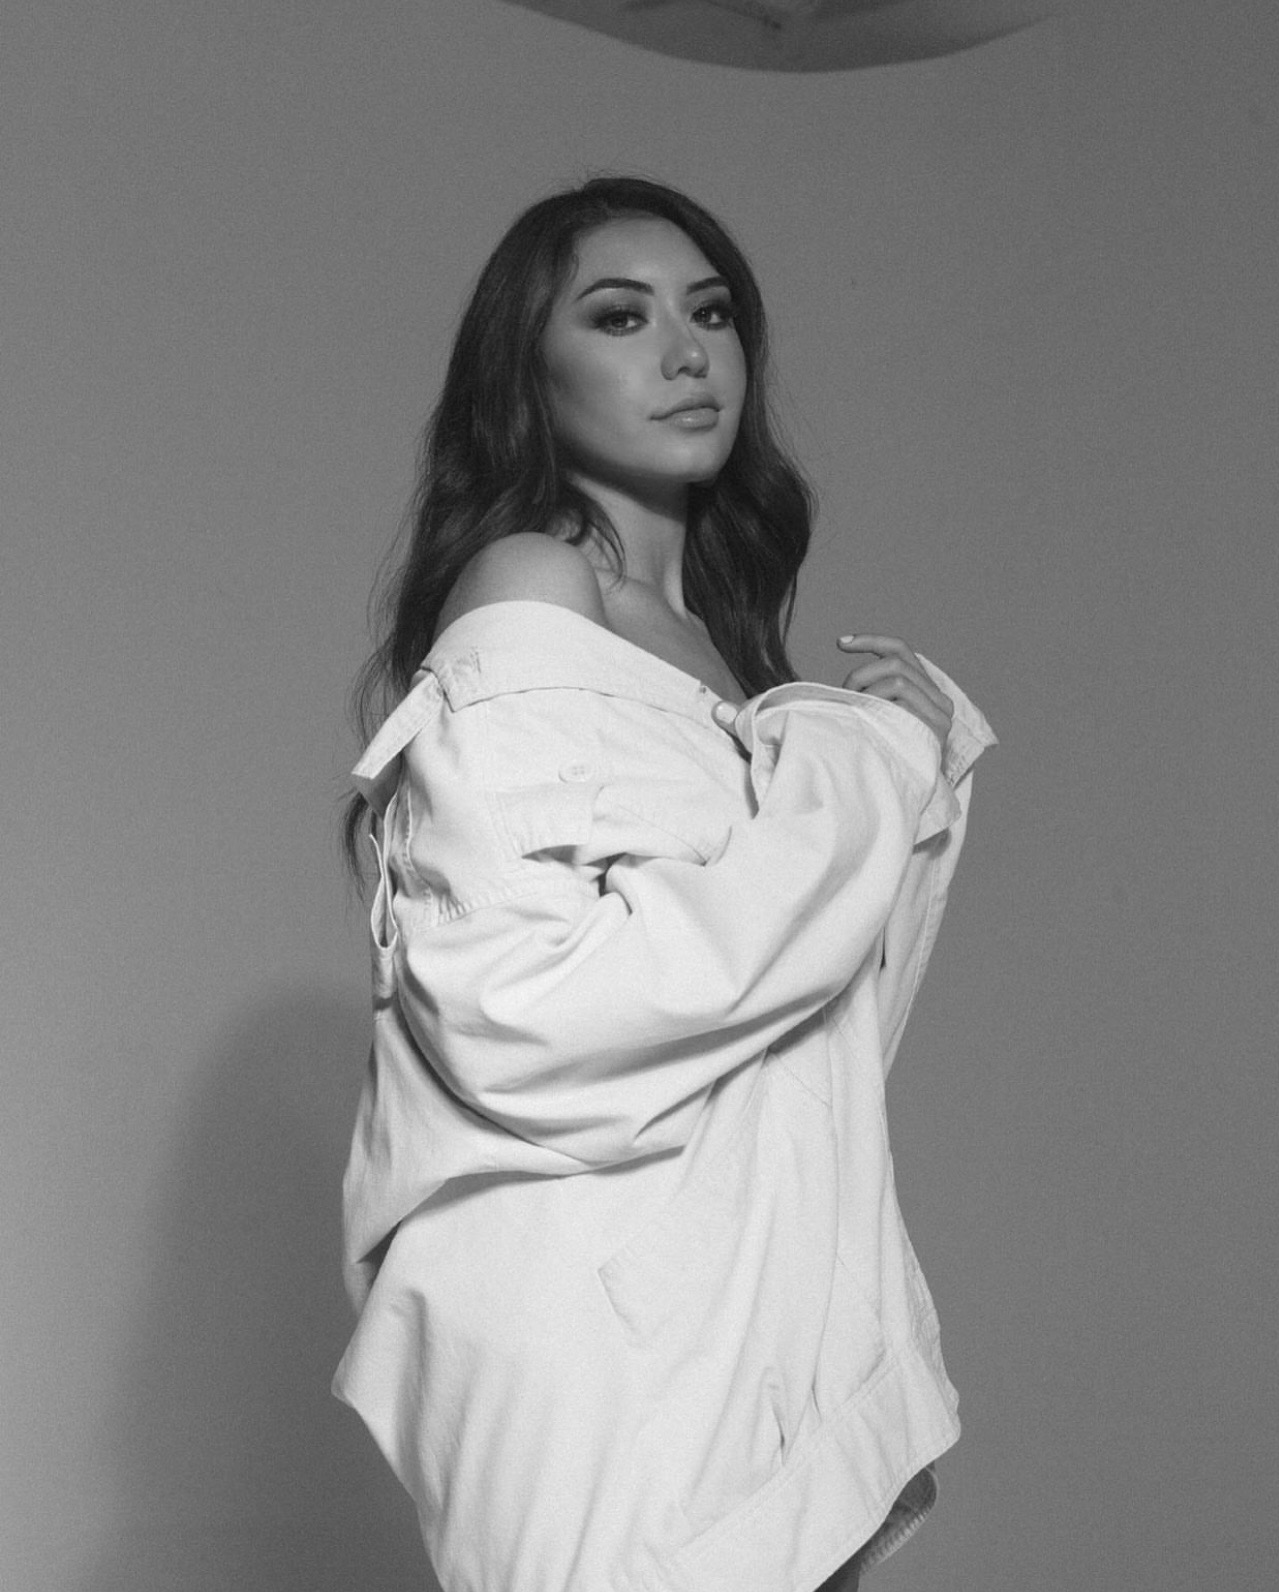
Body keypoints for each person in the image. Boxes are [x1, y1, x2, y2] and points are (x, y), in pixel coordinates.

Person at [333, 175, 995, 1592]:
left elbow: (807, 1036)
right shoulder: (533, 585)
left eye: (713, 313)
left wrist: (895, 780)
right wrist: (868, 764)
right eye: (621, 317)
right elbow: (518, 1002)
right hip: (603, 1322)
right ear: (529, 372)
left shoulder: (727, 659)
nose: (688, 353)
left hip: (744, 1303)